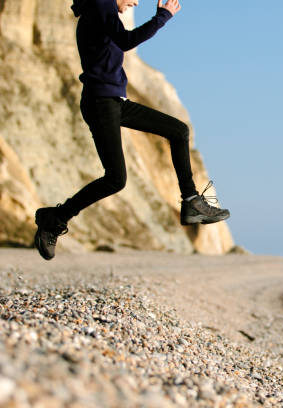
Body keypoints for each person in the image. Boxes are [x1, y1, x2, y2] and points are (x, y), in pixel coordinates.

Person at [33, 0, 230, 260]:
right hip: (100, 102)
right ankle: (54, 218)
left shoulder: (102, 10)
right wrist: (163, 16)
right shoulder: (101, 6)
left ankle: (192, 202)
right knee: (116, 179)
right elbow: (127, 41)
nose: (135, 2)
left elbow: (121, 43)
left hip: (114, 102)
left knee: (178, 130)